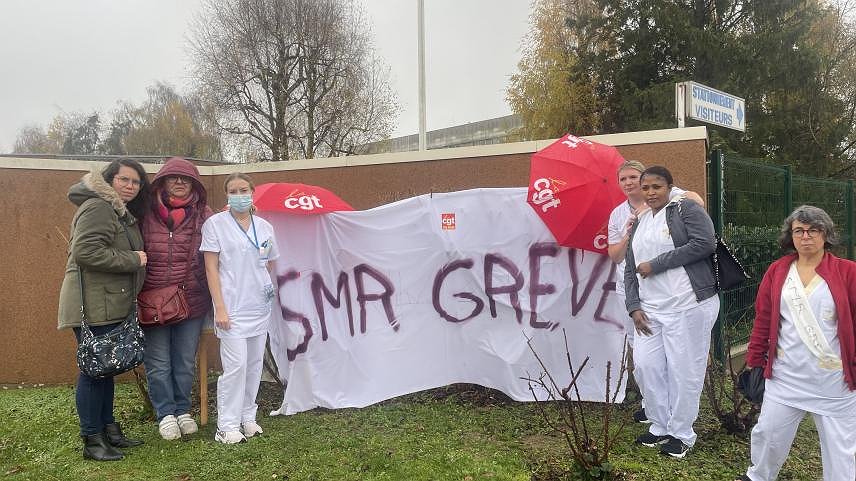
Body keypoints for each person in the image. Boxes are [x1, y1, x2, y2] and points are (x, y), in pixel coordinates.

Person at [735, 206, 856, 481]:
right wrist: (755, 360)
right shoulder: (778, 270)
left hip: (833, 381)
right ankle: (758, 477)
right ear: (791, 235)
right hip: (786, 376)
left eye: (813, 230)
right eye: (799, 230)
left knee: (840, 450)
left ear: (826, 234)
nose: (806, 236)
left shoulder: (848, 272)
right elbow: (763, 318)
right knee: (768, 434)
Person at [57, 159, 150, 461]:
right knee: (94, 371)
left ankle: (108, 430)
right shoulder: (98, 207)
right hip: (93, 305)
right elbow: (85, 252)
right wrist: (134, 259)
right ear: (110, 180)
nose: (131, 186)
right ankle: (92, 439)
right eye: (124, 179)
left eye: (136, 182)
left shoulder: (116, 211)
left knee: (105, 369)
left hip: (107, 303)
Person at [623, 166, 718, 458]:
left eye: (657, 187)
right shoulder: (640, 220)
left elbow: (705, 243)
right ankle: (659, 425)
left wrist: (657, 264)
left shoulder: (684, 208)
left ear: (669, 187)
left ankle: (681, 433)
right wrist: (633, 306)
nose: (651, 193)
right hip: (650, 310)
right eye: (646, 187)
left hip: (687, 305)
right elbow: (630, 267)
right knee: (646, 367)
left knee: (684, 370)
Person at [607, 160, 704, 424]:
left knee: (675, 358)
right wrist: (629, 233)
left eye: (634, 178)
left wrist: (647, 213)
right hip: (633, 292)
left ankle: (675, 414)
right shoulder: (619, 214)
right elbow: (616, 257)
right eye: (623, 179)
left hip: (672, 294)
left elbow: (697, 205)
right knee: (643, 358)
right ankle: (652, 407)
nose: (629, 183)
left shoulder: (670, 199)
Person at [200, 173, 279, 444]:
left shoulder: (265, 227)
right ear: (227, 195)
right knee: (236, 367)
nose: (239, 195)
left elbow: (269, 262)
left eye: (243, 190)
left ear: (252, 192)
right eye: (233, 191)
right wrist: (220, 308)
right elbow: (211, 268)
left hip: (259, 307)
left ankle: (248, 417)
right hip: (231, 309)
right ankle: (226, 425)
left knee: (254, 365)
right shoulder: (215, 224)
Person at [140, 157, 213, 440]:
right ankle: (165, 414)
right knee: (158, 362)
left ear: (195, 184)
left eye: (187, 179)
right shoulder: (144, 212)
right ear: (162, 181)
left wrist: (247, 213)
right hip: (153, 302)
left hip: (191, 300)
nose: (180, 182)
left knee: (184, 361)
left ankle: (182, 410)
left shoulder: (205, 214)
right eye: (174, 177)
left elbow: (230, 233)